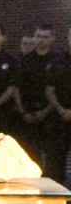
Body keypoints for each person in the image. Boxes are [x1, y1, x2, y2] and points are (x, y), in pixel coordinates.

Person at [16, 24, 58, 170]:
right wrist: (23, 112)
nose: (41, 40)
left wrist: (46, 111)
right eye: (38, 36)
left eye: (45, 37)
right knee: (30, 155)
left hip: (50, 113)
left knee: (52, 157)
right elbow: (17, 88)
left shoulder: (57, 61)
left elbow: (59, 90)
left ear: (52, 38)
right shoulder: (25, 60)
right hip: (28, 112)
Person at [43, 27, 71, 184]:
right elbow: (49, 90)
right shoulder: (57, 62)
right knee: (55, 162)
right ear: (68, 38)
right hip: (58, 118)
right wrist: (61, 110)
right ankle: (54, 198)